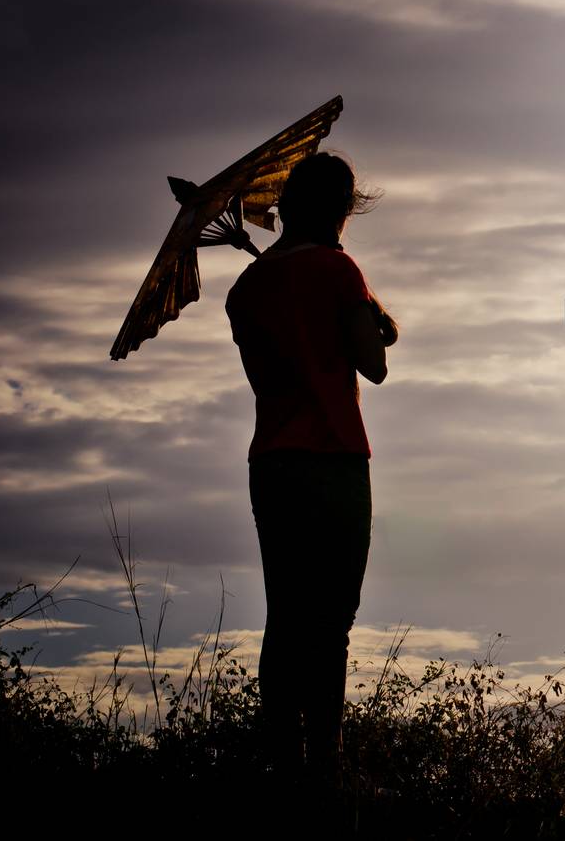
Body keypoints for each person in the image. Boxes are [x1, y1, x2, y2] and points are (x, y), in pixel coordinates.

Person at [224, 151, 397, 788]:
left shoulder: (248, 287)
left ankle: (283, 768)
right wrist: (374, 318)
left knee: (285, 619)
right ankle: (325, 771)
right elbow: (372, 364)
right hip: (333, 461)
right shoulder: (338, 269)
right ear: (343, 210)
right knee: (330, 624)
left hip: (271, 462)